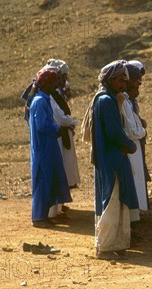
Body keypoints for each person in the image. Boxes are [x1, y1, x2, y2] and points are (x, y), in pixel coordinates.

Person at [82, 60, 139, 260]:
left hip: (111, 158)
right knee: (112, 201)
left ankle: (116, 243)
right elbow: (114, 132)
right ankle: (106, 246)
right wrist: (131, 145)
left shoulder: (106, 98)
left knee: (116, 201)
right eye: (121, 81)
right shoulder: (106, 101)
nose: (124, 85)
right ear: (111, 80)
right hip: (112, 159)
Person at [29, 67, 72, 228]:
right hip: (43, 147)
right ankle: (39, 218)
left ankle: (43, 215)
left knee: (49, 180)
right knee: (43, 181)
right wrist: (57, 129)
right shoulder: (40, 101)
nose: (57, 84)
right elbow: (42, 125)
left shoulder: (44, 99)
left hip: (48, 146)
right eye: (54, 81)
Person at [48, 59, 80, 196]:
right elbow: (58, 117)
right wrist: (72, 122)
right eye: (63, 76)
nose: (65, 79)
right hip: (56, 135)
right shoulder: (48, 94)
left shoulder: (58, 90)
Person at [120, 62, 148, 213]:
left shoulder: (129, 100)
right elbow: (131, 129)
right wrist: (142, 131)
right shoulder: (123, 100)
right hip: (130, 145)